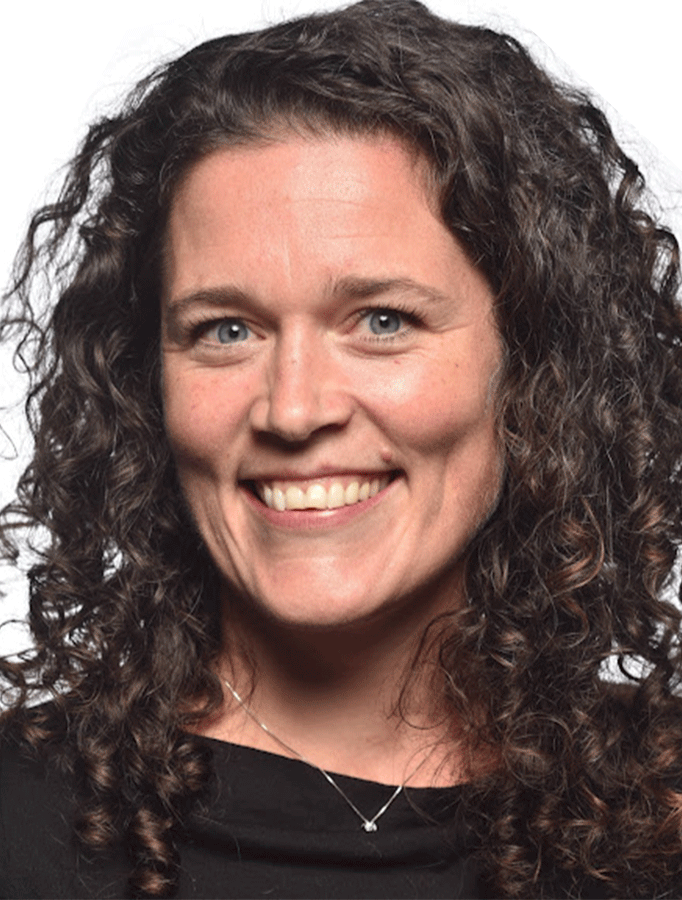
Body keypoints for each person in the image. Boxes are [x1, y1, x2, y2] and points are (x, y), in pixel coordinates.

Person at [1, 0, 681, 897]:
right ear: (144, 383)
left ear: (536, 365)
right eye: (227, 329)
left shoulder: (660, 814)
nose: (293, 409)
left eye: (383, 320)